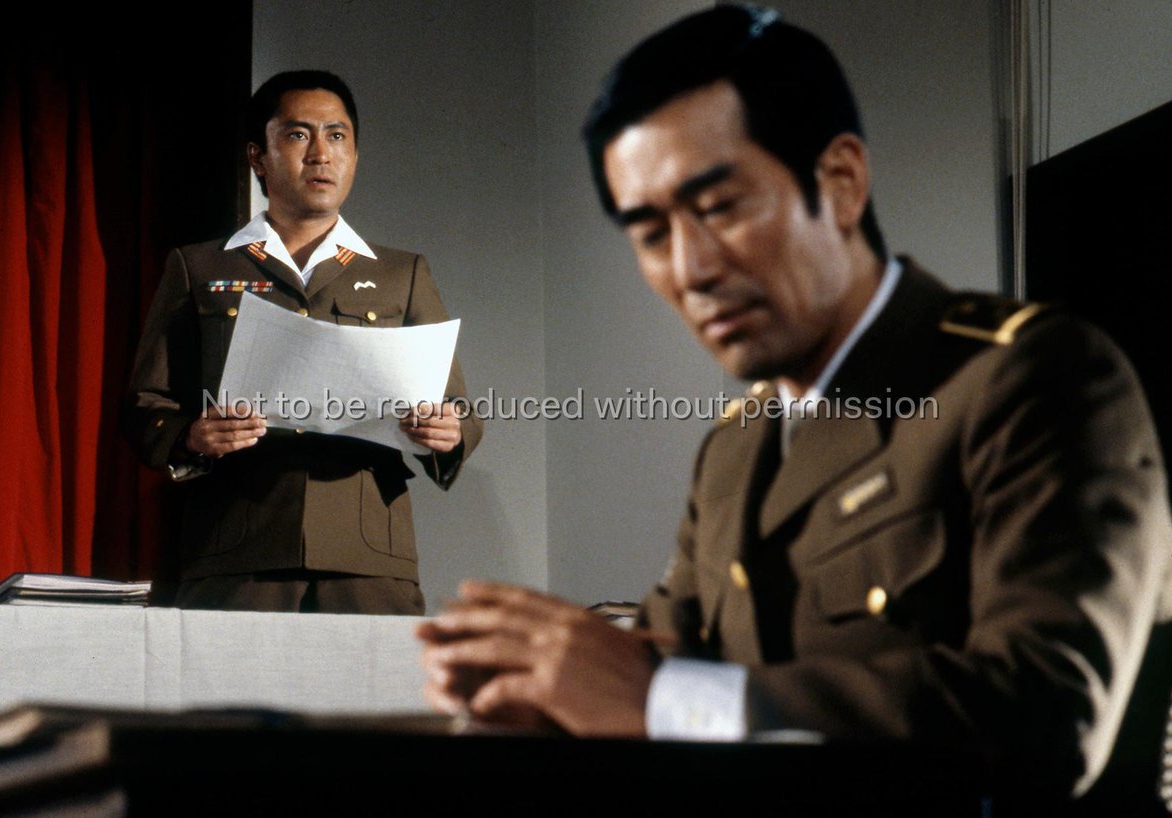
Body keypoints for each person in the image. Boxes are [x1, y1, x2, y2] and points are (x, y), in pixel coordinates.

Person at [417, 5, 1172, 802]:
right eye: (650, 232)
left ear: (840, 182)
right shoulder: (737, 446)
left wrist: (659, 698)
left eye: (720, 207)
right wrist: (544, 692)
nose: (691, 268)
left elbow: (1046, 715)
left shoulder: (1029, 377)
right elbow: (673, 659)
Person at [126, 70, 482, 614]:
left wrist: (447, 430)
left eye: (337, 136)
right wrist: (191, 436)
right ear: (258, 156)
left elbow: (457, 408)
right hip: (235, 549)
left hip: (367, 557)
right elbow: (146, 404)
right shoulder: (200, 267)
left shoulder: (400, 273)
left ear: (355, 155)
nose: (320, 154)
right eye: (298, 135)